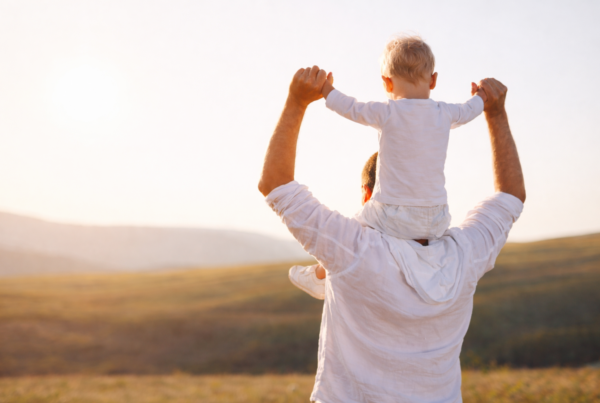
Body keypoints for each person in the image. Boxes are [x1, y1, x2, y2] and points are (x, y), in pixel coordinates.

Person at [258, 66, 525, 403]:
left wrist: (297, 102)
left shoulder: (352, 250)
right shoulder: (465, 254)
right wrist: (496, 114)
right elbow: (511, 196)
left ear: (368, 194)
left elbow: (276, 184)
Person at [322, 35, 486, 242]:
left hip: (391, 215)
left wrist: (326, 89)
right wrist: (481, 96)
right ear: (433, 80)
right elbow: (469, 110)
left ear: (387, 83)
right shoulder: (445, 112)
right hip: (436, 218)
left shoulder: (387, 112)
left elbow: (351, 108)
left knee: (349, 233)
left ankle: (327, 262)